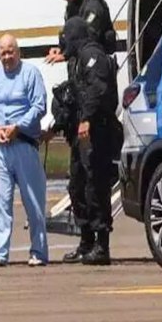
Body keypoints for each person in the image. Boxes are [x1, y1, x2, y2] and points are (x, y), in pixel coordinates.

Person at [0, 34, 48, 266]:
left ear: (18, 52)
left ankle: (38, 252)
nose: (7, 57)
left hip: (24, 144)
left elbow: (39, 106)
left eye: (11, 52)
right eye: (3, 53)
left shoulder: (30, 74)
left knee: (33, 201)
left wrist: (18, 127)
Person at [60, 16, 118, 266]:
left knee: (96, 185)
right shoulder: (76, 60)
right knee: (77, 185)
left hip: (97, 131)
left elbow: (98, 90)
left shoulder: (92, 55)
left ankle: (102, 244)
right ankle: (86, 240)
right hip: (80, 133)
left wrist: (88, 119)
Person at [45, 0, 116, 65]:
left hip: (96, 68)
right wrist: (61, 48)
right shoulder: (71, 8)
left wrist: (66, 55)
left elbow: (88, 38)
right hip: (80, 69)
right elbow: (71, 37)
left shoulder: (93, 6)